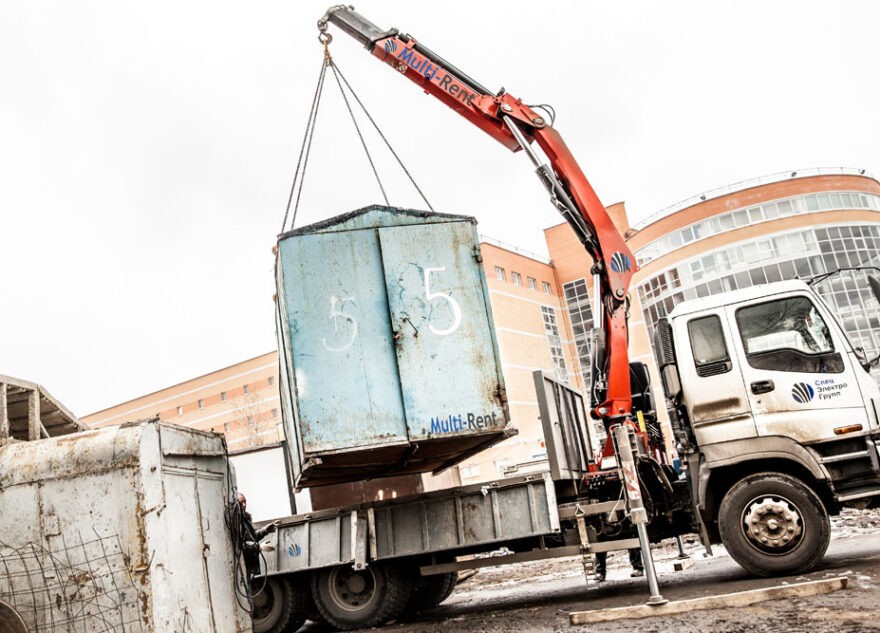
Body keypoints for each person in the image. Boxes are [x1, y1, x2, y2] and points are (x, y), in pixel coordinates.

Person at [237, 493, 279, 580]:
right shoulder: (236, 522)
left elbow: (252, 538)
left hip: (251, 567)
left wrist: (265, 530)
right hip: (244, 567)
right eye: (241, 502)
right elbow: (240, 546)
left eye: (245, 502)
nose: (244, 505)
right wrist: (258, 547)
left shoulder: (245, 518)